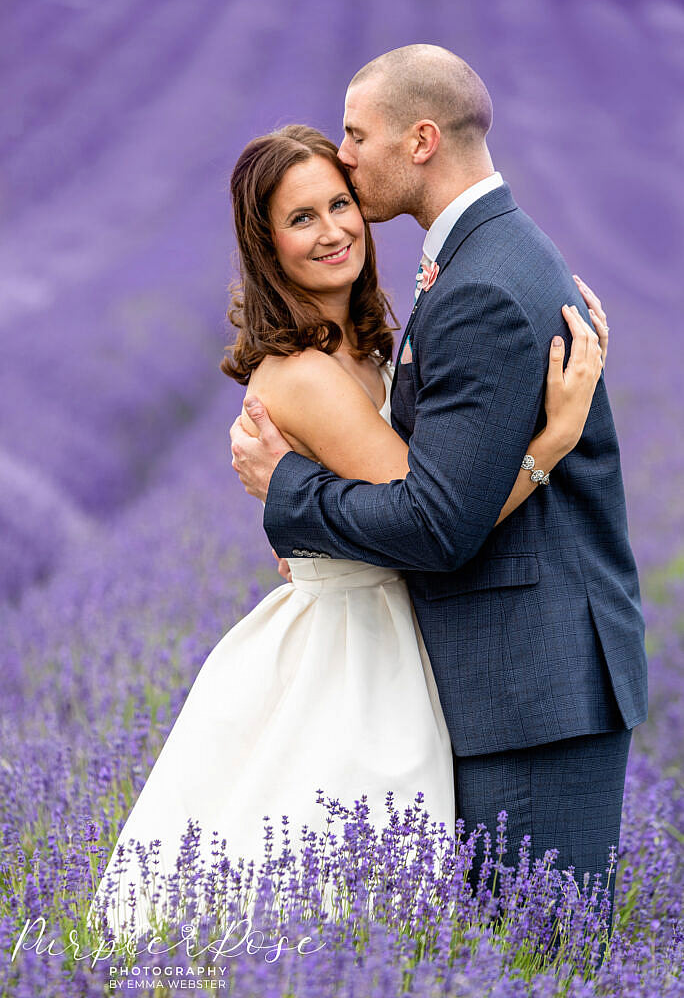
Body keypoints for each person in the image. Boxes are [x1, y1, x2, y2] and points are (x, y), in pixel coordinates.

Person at [90, 122, 604, 940]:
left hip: (388, 623)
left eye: (340, 204)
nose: (332, 230)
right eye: (301, 219)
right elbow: (435, 520)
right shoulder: (306, 375)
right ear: (267, 247)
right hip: (353, 647)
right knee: (342, 891)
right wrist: (552, 443)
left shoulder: (366, 350)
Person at [230, 46, 647, 914]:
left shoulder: (480, 286)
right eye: (303, 215)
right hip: (500, 680)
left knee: (540, 954)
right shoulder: (488, 259)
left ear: (420, 140)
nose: (345, 156)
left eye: (355, 137)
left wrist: (291, 497)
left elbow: (435, 524)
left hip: (530, 689)